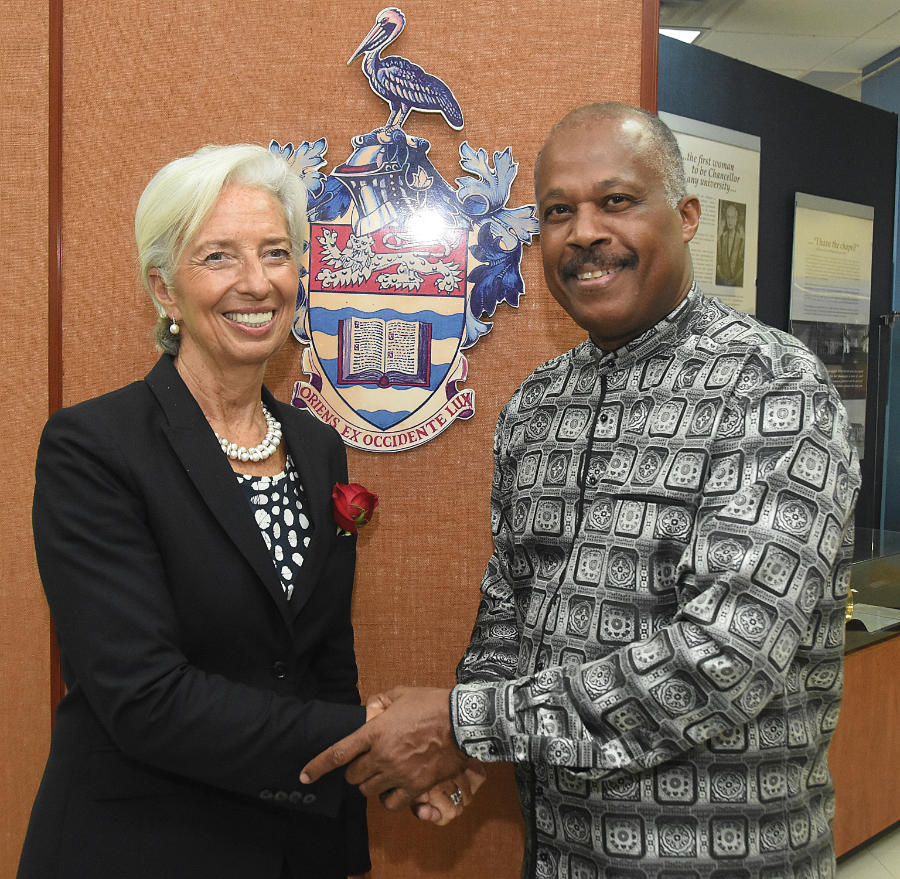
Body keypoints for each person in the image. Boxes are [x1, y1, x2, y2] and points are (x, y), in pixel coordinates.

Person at [301, 103, 861, 879]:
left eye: (617, 201)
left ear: (688, 216)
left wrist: (468, 725)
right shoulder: (537, 403)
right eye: (559, 211)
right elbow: (512, 599)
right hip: (559, 855)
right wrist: (477, 732)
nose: (585, 231)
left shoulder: (774, 389)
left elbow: (724, 659)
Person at [22, 143, 384, 878]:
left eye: (276, 253)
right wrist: (376, 740)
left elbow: (324, 663)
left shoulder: (316, 449)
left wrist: (345, 845)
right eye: (219, 256)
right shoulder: (93, 447)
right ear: (164, 289)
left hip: (294, 844)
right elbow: (146, 697)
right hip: (141, 846)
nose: (257, 283)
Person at [716, 201, 745, 286]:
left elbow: (743, 266)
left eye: (732, 217)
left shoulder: (741, 240)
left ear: (736, 219)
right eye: (728, 217)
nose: (730, 221)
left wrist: (733, 280)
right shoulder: (721, 238)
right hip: (722, 283)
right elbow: (718, 263)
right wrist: (723, 279)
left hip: (735, 284)